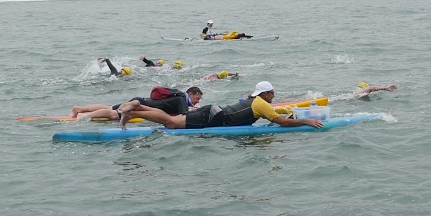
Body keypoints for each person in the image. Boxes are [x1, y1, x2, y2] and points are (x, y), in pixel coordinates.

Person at [132, 81, 322, 130]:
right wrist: (306, 121)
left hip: (213, 112)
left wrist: (294, 115)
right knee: (170, 123)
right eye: (272, 93)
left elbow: (277, 115)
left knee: (170, 120)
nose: (274, 95)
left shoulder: (256, 101)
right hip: (212, 117)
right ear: (265, 94)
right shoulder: (262, 103)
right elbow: (281, 122)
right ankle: (136, 110)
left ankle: (137, 109)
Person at [72, 86, 203, 122]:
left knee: (110, 107)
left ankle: (79, 109)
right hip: (140, 105)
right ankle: (84, 116)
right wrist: (195, 111)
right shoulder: (182, 100)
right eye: (197, 98)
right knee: (113, 114)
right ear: (191, 94)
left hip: (141, 101)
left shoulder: (178, 94)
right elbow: (183, 115)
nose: (197, 101)